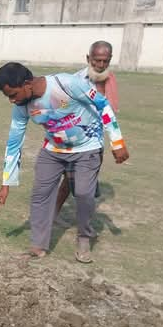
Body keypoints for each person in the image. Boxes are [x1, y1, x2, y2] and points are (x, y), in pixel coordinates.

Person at [0, 62, 130, 263]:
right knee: (40, 195)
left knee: (83, 193)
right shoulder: (23, 107)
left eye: (13, 94)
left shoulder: (66, 84)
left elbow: (102, 104)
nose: (12, 101)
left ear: (27, 83)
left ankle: (84, 237)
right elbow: (14, 143)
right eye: (8, 97)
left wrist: (117, 141)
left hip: (87, 146)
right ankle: (38, 246)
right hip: (53, 151)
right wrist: (6, 184)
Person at [55, 41, 119, 214]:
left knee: (77, 184)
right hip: (73, 139)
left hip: (95, 143)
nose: (100, 65)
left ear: (110, 59)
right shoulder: (74, 80)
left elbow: (110, 113)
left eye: (105, 61)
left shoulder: (110, 82)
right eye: (96, 60)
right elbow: (61, 107)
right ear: (88, 58)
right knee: (69, 181)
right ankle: (53, 214)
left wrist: (117, 144)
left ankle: (82, 228)